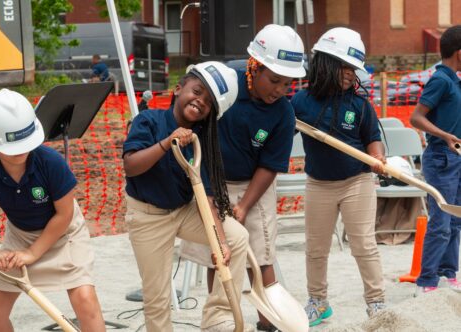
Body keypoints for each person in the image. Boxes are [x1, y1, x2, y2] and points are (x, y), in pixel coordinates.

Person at [180, 24, 306, 332]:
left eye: (287, 83)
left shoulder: (283, 113)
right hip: (211, 181)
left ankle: (270, 321)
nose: (280, 89)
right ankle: (220, 319)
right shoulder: (223, 85)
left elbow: (269, 165)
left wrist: (245, 205)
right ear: (254, 66)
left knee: (261, 255)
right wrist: (210, 194)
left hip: (255, 186)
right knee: (219, 254)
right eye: (274, 80)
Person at [0, 89, 106, 332]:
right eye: (12, 145)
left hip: (64, 233)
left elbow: (64, 215)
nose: (20, 150)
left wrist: (33, 253)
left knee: (85, 300)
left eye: (23, 143)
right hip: (20, 236)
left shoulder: (50, 162)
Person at [122, 61, 250, 332]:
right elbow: (131, 166)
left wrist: (221, 241)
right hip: (148, 217)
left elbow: (208, 195)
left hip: (183, 210)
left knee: (237, 239)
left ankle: (218, 317)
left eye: (208, 102)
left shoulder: (200, 138)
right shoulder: (149, 120)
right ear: (179, 89)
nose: (200, 101)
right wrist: (167, 142)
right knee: (157, 297)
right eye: (197, 91)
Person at [290, 27, 387, 326]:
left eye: (354, 69)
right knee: (316, 248)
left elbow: (372, 138)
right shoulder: (301, 102)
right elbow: (281, 134)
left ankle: (377, 304)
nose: (351, 74)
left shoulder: (358, 104)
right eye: (345, 67)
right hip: (318, 184)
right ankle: (318, 302)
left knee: (363, 245)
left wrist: (378, 158)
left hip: (356, 182)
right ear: (325, 64)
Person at [410, 25, 461, 295]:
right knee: (441, 222)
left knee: (455, 221)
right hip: (442, 158)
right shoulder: (441, 80)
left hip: (457, 159)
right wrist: (446, 136)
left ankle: (448, 273)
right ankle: (427, 281)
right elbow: (416, 117)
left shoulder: (455, 81)